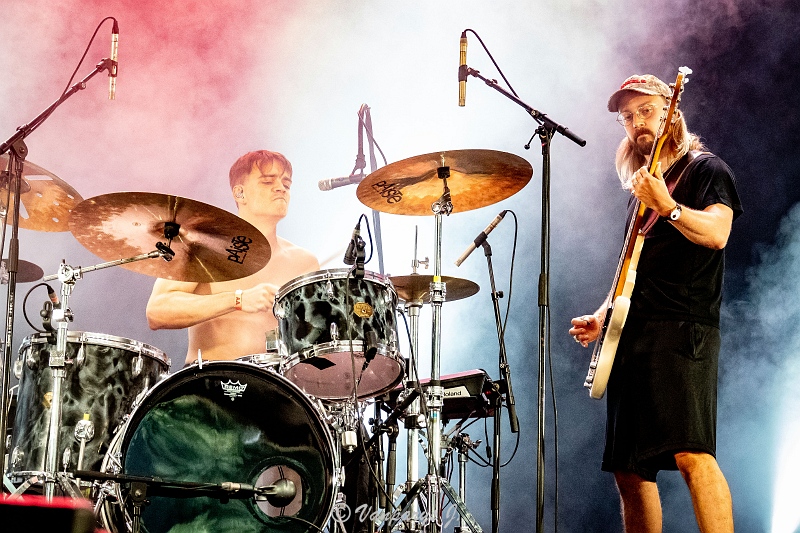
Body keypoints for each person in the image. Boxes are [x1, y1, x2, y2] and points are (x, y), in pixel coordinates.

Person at [569, 74, 742, 533]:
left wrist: (669, 206)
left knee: (691, 453)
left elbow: (718, 233)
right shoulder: (643, 189)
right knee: (628, 468)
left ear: (671, 112)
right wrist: (602, 316)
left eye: (646, 111)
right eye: (628, 117)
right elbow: (632, 267)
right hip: (633, 336)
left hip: (683, 330)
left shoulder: (706, 170)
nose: (637, 122)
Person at [146, 149, 319, 364]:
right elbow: (158, 311)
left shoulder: (304, 262)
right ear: (239, 193)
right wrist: (238, 300)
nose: (280, 188)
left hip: (278, 381)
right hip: (211, 377)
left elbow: (315, 339)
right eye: (267, 181)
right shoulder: (203, 244)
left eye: (286, 184)